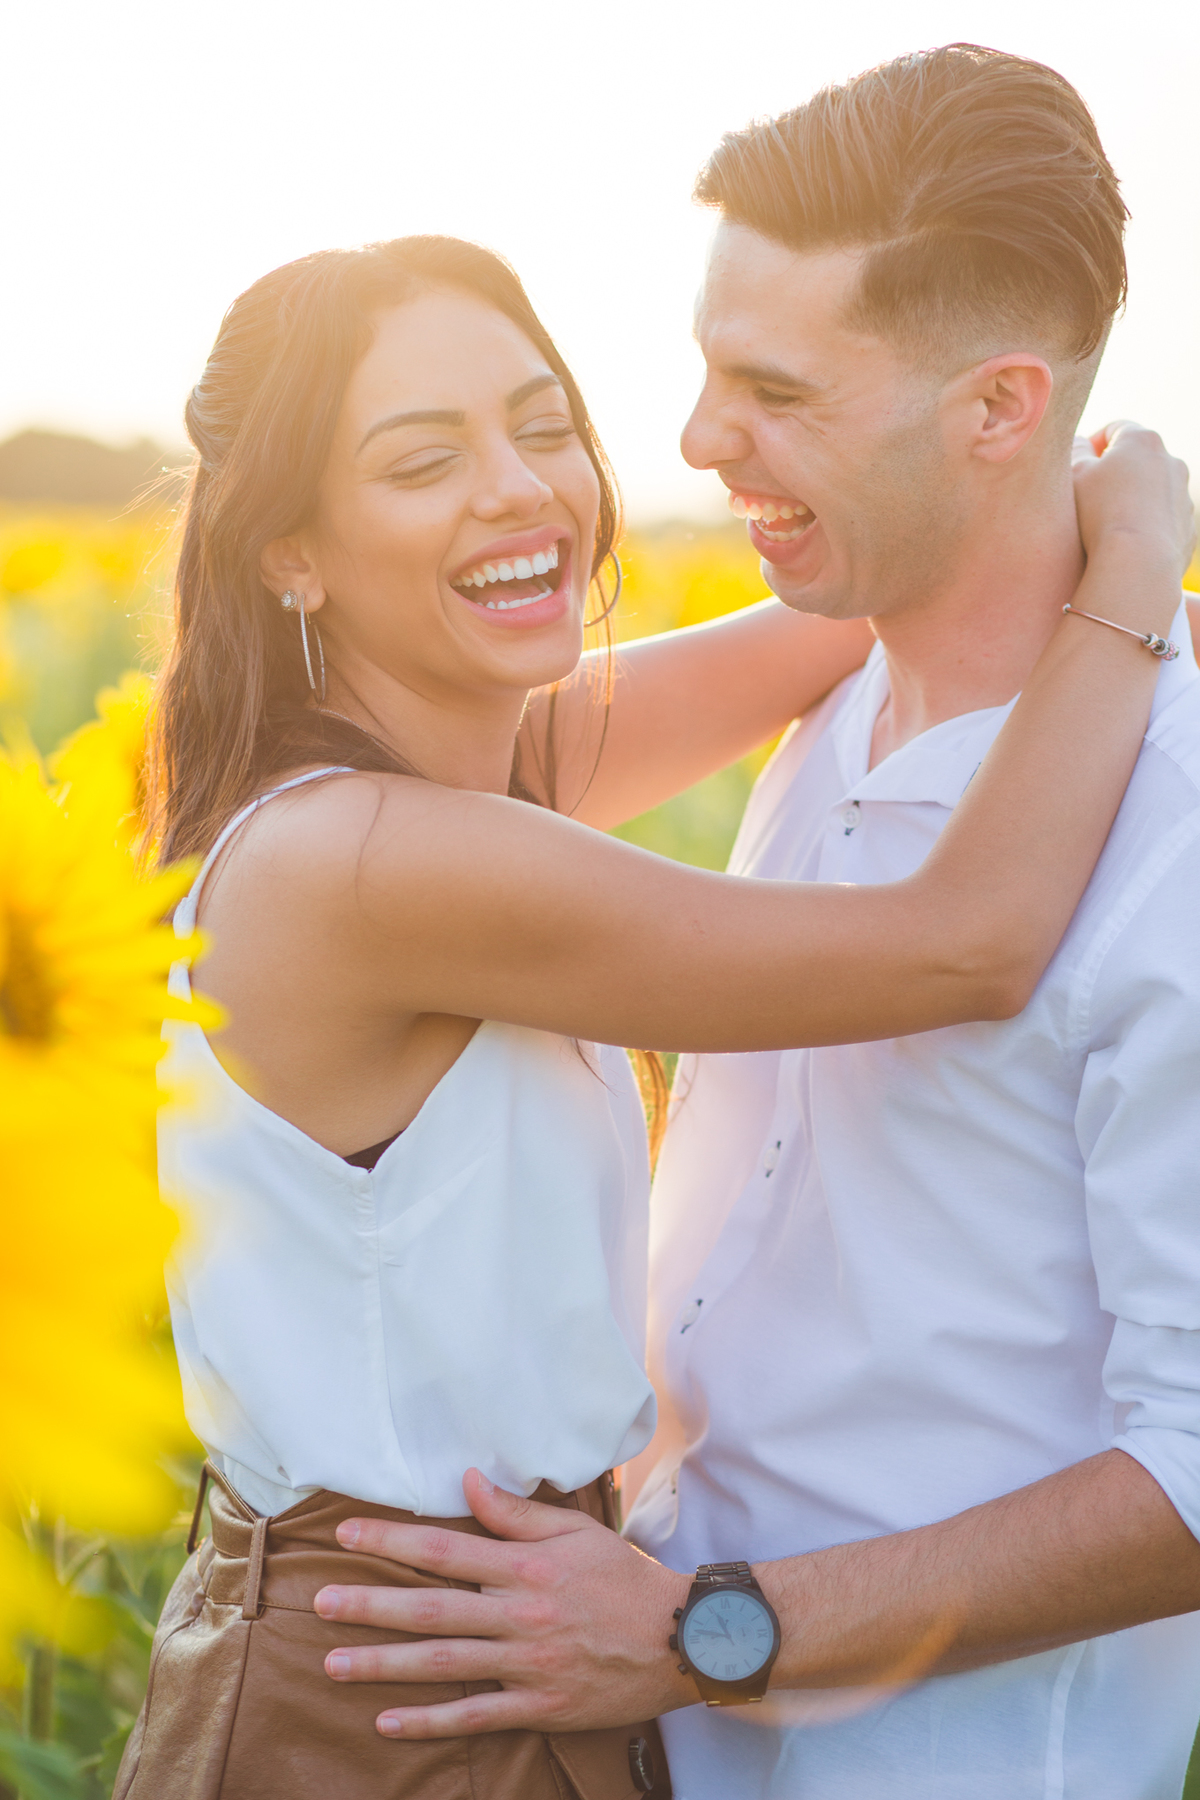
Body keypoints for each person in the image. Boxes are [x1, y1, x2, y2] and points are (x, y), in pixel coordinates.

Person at [116, 218, 1188, 1800]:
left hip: (502, 1637)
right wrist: (1138, 571)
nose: (519, 488)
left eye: (541, 425)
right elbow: (965, 943)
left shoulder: (461, 774)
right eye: (423, 461)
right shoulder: (363, 862)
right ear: (291, 552)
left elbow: (862, 600)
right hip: (384, 1694)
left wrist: (1003, 487)